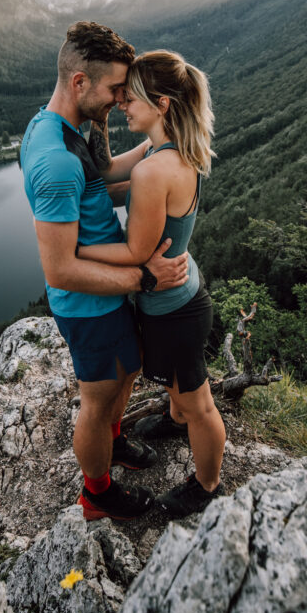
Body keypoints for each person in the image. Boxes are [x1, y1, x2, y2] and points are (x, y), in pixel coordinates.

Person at [20, 21, 189, 521]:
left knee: (128, 371)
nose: (121, 99)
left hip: (108, 293)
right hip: (89, 303)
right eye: (116, 89)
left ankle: (114, 445)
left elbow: (104, 177)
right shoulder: (55, 160)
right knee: (96, 401)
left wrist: (161, 146)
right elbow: (60, 270)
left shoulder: (66, 128)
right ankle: (97, 493)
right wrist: (146, 277)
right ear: (79, 83)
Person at [77, 50, 226, 517]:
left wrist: (75, 254)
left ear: (161, 103)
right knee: (182, 393)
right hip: (183, 297)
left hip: (173, 311)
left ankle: (206, 485)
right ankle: (174, 417)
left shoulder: (153, 170)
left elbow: (137, 254)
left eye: (131, 97)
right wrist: (98, 119)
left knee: (198, 402)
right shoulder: (168, 149)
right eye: (118, 98)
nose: (123, 103)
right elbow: (105, 175)